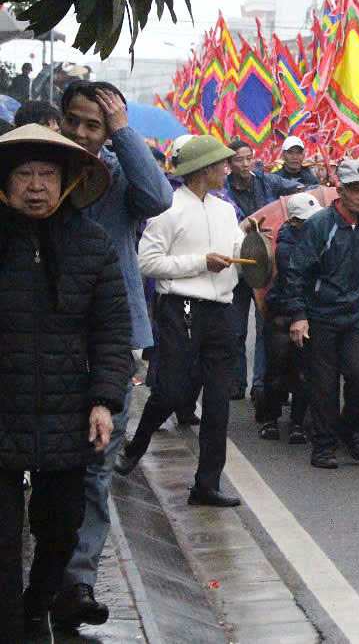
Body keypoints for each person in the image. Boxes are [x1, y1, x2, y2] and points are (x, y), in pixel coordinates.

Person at [0, 125, 130, 641]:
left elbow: (112, 330)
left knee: (60, 529)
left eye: (48, 175)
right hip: (2, 409)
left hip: (68, 412)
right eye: (25, 175)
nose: (36, 186)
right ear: (6, 185)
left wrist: (104, 400)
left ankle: (39, 603)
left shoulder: (92, 243)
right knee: (3, 541)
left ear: (67, 182)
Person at [54, 80, 172, 630]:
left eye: (94, 125)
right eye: (74, 121)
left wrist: (124, 133)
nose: (81, 133)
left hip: (112, 339)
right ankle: (44, 574)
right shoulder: (39, 174)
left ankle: (78, 581)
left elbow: (159, 199)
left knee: (97, 467)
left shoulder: (122, 179)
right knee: (48, 463)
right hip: (45, 338)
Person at [117, 136, 245, 508]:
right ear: (204, 169)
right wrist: (200, 262)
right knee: (171, 390)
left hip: (222, 310)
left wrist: (250, 244)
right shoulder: (168, 209)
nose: (227, 167)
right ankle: (135, 445)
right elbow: (147, 262)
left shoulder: (225, 210)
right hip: (181, 309)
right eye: (222, 163)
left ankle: (206, 484)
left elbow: (236, 249)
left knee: (219, 402)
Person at [282, 158, 359, 470]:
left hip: (355, 313)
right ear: (340, 191)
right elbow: (296, 273)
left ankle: (352, 429)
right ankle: (324, 445)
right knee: (324, 385)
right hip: (322, 315)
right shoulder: (320, 226)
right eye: (355, 190)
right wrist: (298, 315)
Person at [224, 139, 301, 401]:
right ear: (228, 164)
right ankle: (235, 382)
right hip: (235, 265)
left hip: (265, 266)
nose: (245, 164)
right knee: (235, 329)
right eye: (239, 159)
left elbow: (297, 190)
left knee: (263, 327)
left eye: (249, 158)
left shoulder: (268, 182)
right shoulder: (221, 192)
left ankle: (259, 384)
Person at [257, 192, 323, 444]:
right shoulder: (286, 248)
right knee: (277, 371)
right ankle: (270, 420)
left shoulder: (317, 239)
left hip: (308, 313)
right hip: (283, 314)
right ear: (294, 222)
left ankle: (297, 423)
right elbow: (296, 283)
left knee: (304, 373)